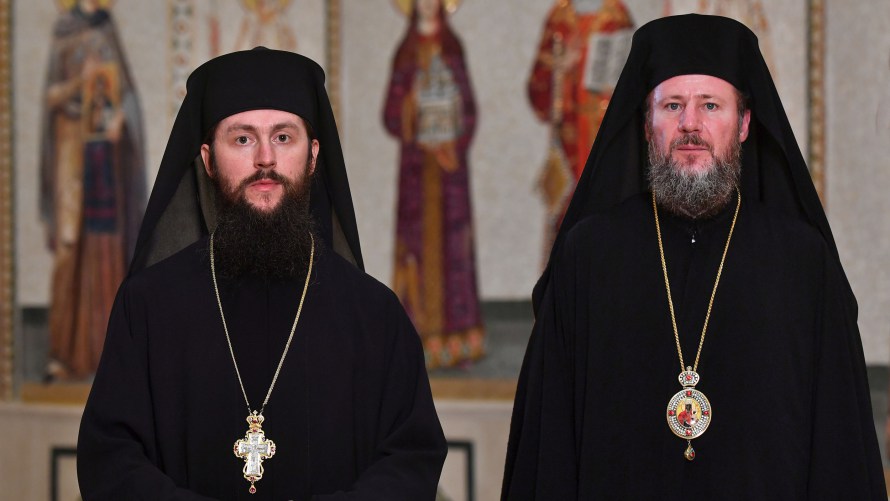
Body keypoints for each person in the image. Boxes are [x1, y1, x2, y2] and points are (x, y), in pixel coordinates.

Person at [502, 14, 886, 499]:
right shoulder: (588, 256)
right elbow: (548, 449)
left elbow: (839, 450)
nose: (690, 124)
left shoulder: (803, 264)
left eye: (710, 105)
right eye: (672, 106)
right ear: (647, 124)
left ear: (743, 124)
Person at [77, 48, 446, 500]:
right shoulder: (148, 307)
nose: (266, 159)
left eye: (284, 137)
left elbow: (410, 461)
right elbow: (110, 460)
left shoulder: (375, 314)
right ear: (208, 159)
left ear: (313, 155)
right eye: (243, 139)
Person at [40, 0, 146, 380]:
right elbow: (51, 97)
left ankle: (109, 355)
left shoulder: (107, 28)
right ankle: (64, 355)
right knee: (70, 248)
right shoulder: (64, 31)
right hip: (71, 150)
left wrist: (121, 119)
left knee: (107, 248)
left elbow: (126, 94)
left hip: (105, 153)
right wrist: (79, 82)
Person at [383, 0, 485, 369]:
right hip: (417, 168)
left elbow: (469, 109)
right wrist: (412, 105)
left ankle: (457, 340)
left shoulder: (453, 50)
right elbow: (391, 115)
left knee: (453, 247)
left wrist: (451, 134)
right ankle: (415, 337)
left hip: (448, 169)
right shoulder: (406, 53)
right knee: (416, 246)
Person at [527, 0, 634, 257]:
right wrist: (560, 69)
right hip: (570, 137)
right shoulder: (558, 17)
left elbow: (636, 80)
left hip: (608, 134)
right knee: (569, 210)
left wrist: (619, 88)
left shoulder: (617, 16)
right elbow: (537, 91)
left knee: (609, 208)